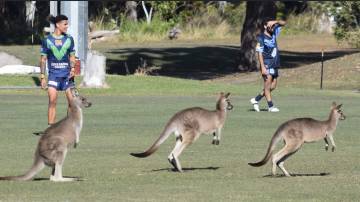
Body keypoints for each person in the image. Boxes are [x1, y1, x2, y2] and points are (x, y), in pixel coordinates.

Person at [39, 15, 76, 125]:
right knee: (52, 101)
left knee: (72, 102)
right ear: (57, 25)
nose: (67, 26)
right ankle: (51, 128)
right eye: (65, 24)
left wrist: (73, 68)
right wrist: (42, 77)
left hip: (67, 76)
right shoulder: (47, 40)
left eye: (67, 24)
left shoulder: (69, 39)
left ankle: (68, 127)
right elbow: (43, 59)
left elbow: (72, 56)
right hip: (53, 76)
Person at [250, 18, 286, 112]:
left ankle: (256, 99)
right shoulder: (261, 38)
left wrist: (275, 22)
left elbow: (284, 23)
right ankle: (271, 106)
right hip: (267, 64)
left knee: (272, 86)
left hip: (274, 64)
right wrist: (262, 67)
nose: (272, 28)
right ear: (265, 27)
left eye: (273, 26)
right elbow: (259, 53)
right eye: (270, 26)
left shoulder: (274, 32)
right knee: (267, 86)